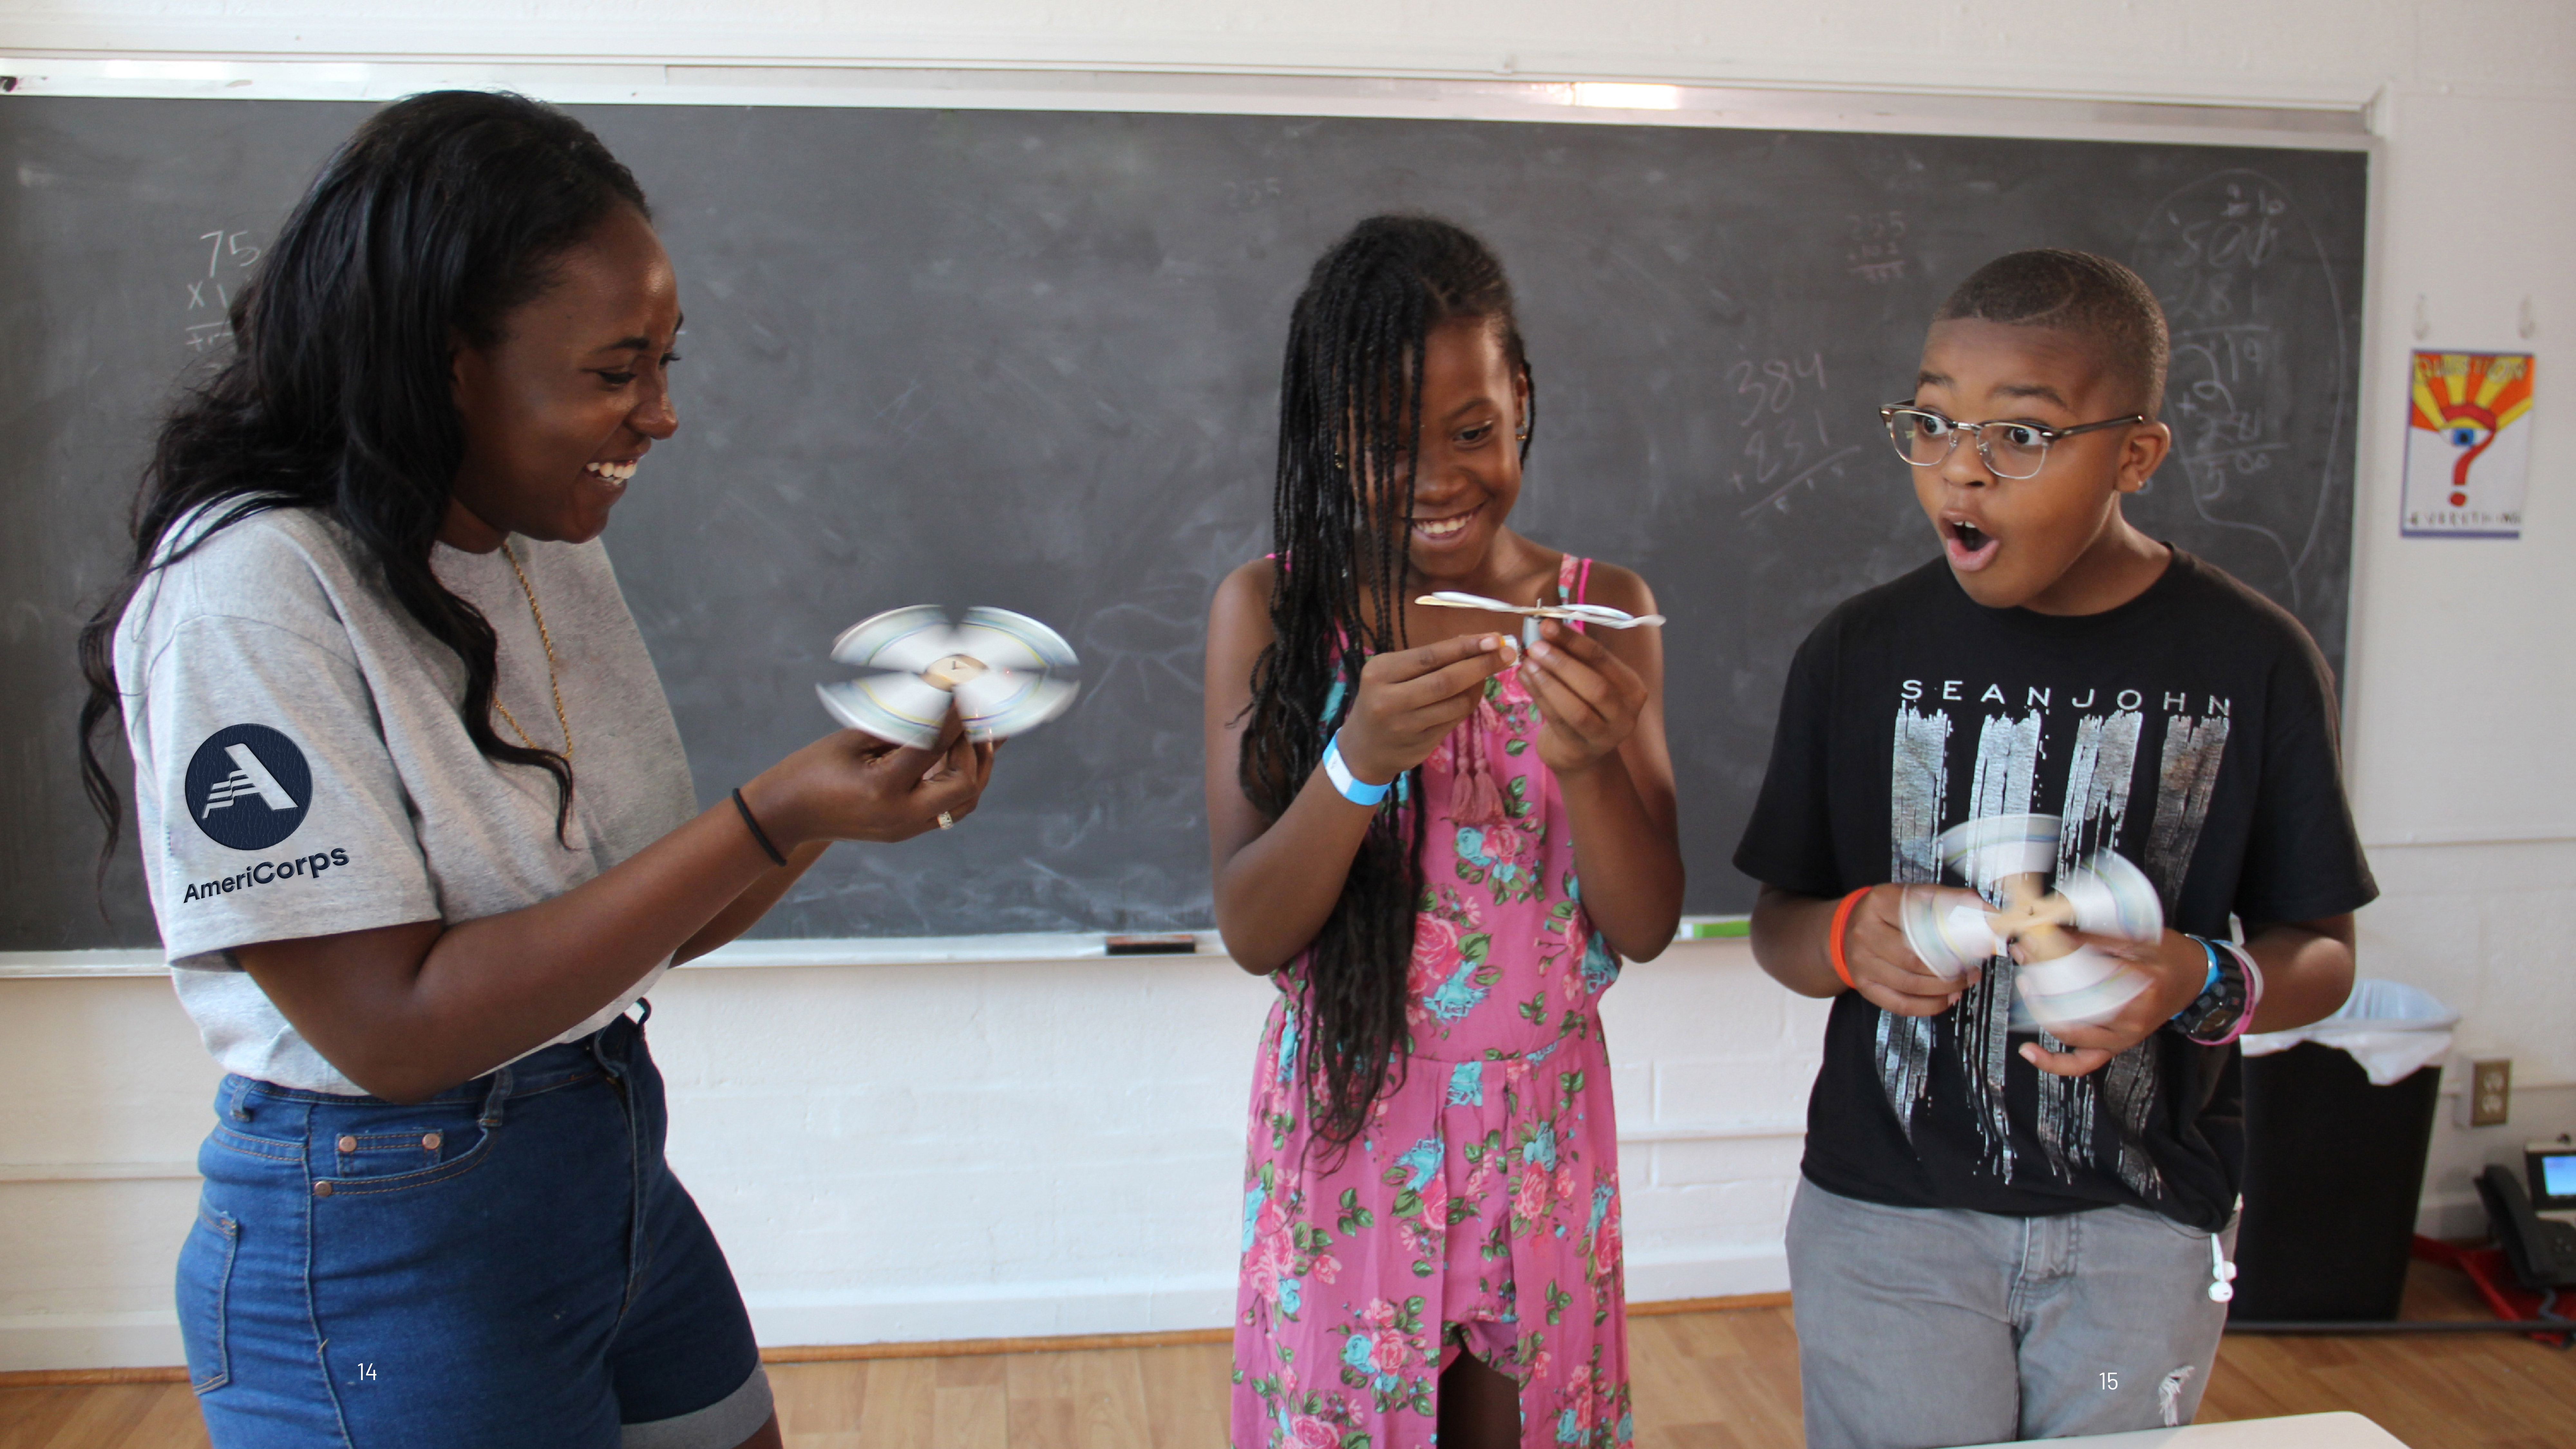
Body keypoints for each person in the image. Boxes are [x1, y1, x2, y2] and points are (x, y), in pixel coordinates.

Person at [74, 91, 994, 1448]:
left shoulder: (537, 543)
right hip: (385, 1230)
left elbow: (626, 926)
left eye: (667, 362)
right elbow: (394, 1030)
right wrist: (773, 811)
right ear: (448, 362)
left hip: (596, 1155)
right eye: (616, 371)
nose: (660, 416)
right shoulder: (251, 595)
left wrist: (828, 815)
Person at [1733, 249, 2374, 1447]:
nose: (1962, 467)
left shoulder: (2256, 660)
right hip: (1889, 1222)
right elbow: (1781, 922)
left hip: (2145, 1227)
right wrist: (1840, 935)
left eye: (2022, 436)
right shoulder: (1855, 653)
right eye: (1932, 421)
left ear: (2136, 454)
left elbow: (2323, 950)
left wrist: (2199, 979)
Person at [1205, 214, 1682, 1449]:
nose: (1436, 479)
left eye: (1472, 430)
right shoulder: (1269, 607)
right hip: (1350, 1132)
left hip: (1543, 1127)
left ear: (1520, 397)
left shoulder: (1604, 609)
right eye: (1380, 444)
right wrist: (1356, 765)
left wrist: (1586, 764)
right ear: (1322, 439)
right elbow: (1257, 928)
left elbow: (1645, 921)